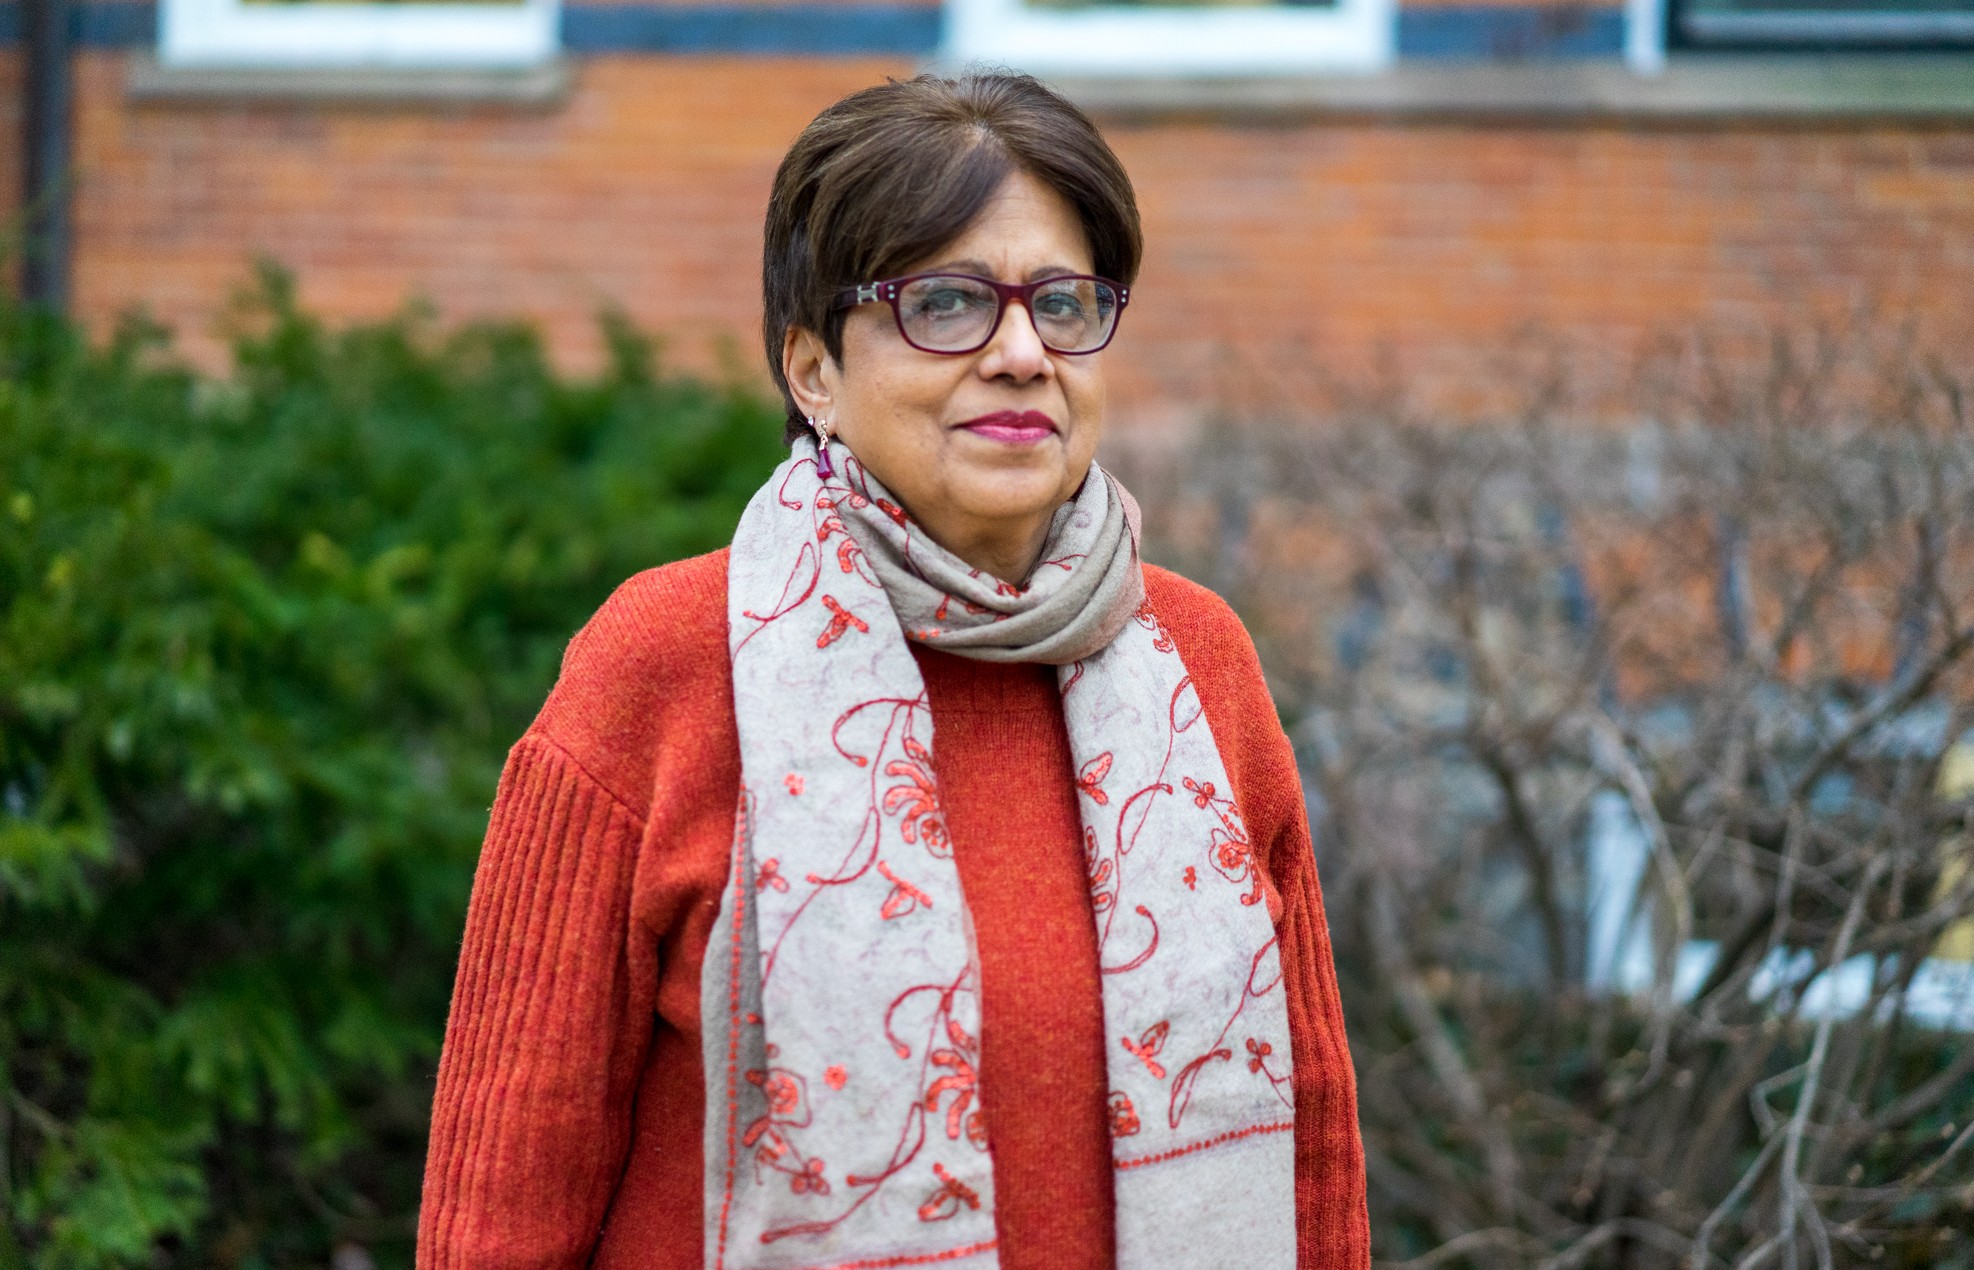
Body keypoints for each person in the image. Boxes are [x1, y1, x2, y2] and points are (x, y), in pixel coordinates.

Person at [418, 71, 1368, 1269]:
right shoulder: (662, 665)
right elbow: (504, 1196)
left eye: (1064, 303)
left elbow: (1315, 1162)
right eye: (948, 303)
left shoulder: (1199, 662)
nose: (1023, 353)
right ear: (812, 369)